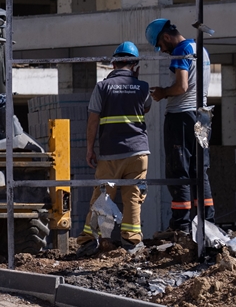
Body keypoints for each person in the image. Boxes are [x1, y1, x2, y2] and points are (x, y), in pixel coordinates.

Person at [76, 42, 152, 252]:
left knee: (102, 196)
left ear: (113, 64)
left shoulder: (102, 87)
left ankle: (88, 241)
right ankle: (132, 241)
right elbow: (145, 109)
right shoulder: (144, 87)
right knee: (133, 197)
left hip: (111, 153)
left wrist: (90, 149)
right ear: (135, 65)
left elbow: (93, 121)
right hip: (138, 152)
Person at [145, 18, 214, 233]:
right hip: (202, 117)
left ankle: (181, 225)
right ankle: (207, 223)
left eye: (161, 46)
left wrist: (162, 92)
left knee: (179, 171)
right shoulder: (199, 48)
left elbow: (182, 86)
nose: (163, 51)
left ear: (166, 37)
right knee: (199, 170)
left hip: (182, 117)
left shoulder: (181, 51)